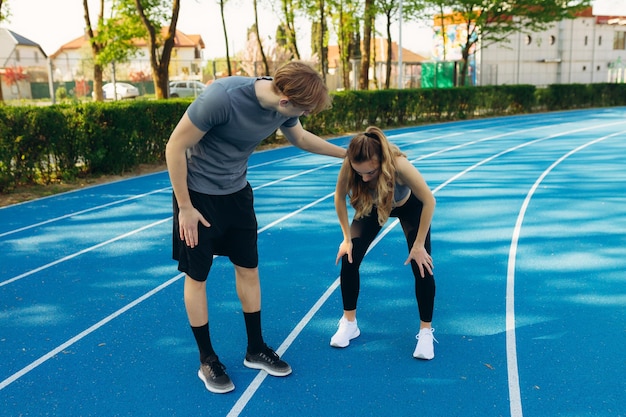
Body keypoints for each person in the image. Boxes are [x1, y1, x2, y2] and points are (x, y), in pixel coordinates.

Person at [165, 61, 346, 394]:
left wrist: (347, 155)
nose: (304, 114)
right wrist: (185, 208)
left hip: (237, 194)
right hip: (197, 198)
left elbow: (301, 138)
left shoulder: (285, 108)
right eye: (304, 109)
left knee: (248, 269)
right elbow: (175, 146)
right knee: (198, 277)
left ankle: (256, 349)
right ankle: (207, 359)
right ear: (285, 101)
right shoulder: (222, 98)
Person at [330, 126, 437, 359]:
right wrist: (346, 239)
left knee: (422, 266)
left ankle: (426, 332)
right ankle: (350, 323)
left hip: (410, 208)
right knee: (350, 257)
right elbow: (339, 197)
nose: (364, 178)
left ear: (382, 161)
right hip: (375, 206)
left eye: (370, 172)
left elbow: (429, 200)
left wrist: (418, 245)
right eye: (360, 174)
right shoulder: (352, 165)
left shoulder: (399, 165)